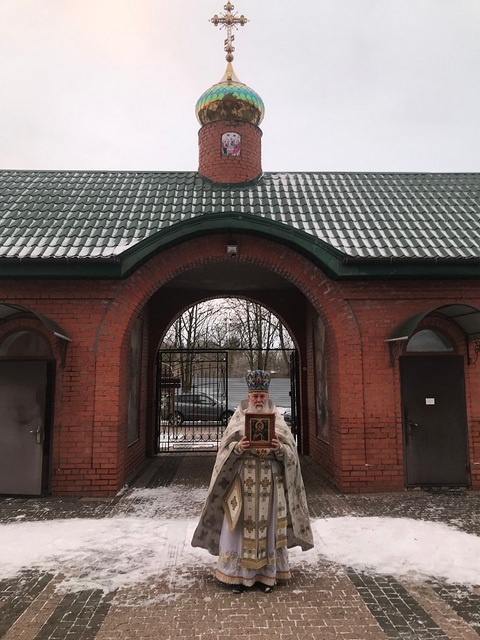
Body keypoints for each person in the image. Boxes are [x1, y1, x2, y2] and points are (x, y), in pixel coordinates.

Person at [192, 370, 313, 594]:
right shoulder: (237, 419)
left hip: (270, 482)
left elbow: (292, 455)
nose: (258, 400)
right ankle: (236, 576)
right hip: (242, 481)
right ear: (248, 396)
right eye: (255, 396)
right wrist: (238, 447)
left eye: (262, 396)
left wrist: (280, 449)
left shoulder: (278, 420)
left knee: (268, 529)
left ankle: (267, 577)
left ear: (267, 396)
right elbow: (224, 452)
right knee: (238, 527)